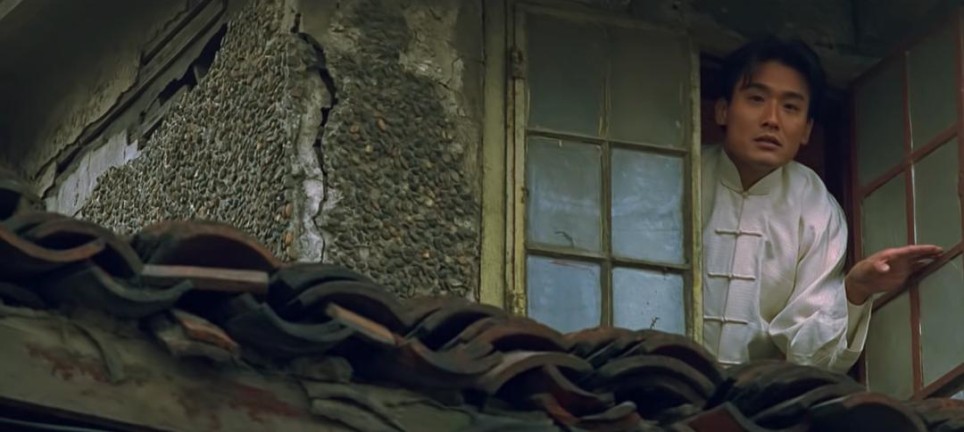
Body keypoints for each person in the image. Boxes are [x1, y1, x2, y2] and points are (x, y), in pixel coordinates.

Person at [701, 37, 942, 373]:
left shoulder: (815, 208)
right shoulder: (682, 174)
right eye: (756, 99)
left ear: (807, 130)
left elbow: (808, 355)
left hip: (753, 396)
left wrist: (856, 289)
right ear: (722, 110)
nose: (772, 119)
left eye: (790, 107)